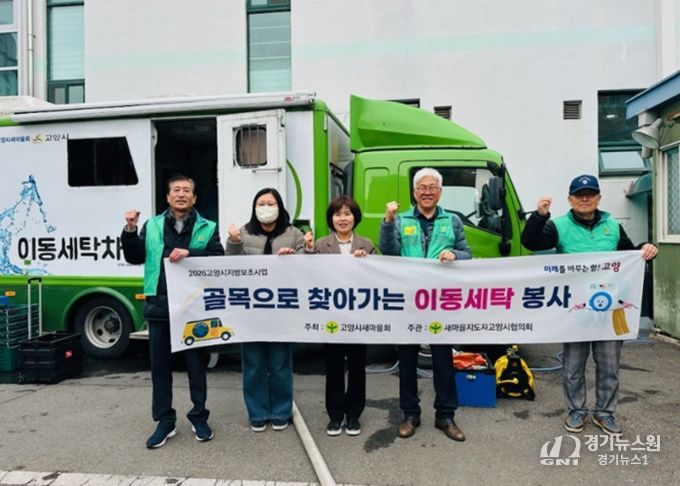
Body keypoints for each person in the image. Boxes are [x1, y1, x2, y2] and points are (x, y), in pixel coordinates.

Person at [521, 174, 658, 436]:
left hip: (610, 309)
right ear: (570, 199)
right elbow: (531, 242)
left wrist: (645, 249)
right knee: (573, 366)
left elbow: (629, 254)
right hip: (576, 310)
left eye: (590, 194)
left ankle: (605, 413)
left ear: (598, 197)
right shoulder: (558, 225)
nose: (585, 198)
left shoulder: (612, 226)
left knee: (609, 366)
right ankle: (576, 410)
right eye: (579, 195)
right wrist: (539, 216)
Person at [122, 174, 224, 448]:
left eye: (187, 190)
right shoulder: (152, 225)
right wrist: (130, 229)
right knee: (160, 368)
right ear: (167, 197)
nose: (181, 194)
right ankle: (165, 421)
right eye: (176, 190)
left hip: (194, 307)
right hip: (159, 305)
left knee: (196, 366)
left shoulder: (207, 227)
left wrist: (191, 253)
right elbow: (134, 256)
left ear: (194, 198)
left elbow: (218, 259)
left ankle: (199, 416)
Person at [379, 167, 471, 442]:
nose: (427, 192)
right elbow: (389, 252)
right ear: (414, 192)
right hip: (409, 299)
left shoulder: (452, 220)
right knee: (407, 359)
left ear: (440, 192)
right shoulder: (401, 219)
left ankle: (446, 415)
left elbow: (467, 253)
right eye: (422, 187)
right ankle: (410, 414)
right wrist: (387, 221)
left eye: (432, 187)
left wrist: (454, 254)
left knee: (443, 359)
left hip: (441, 300)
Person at [226, 187, 305, 432]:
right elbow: (230, 267)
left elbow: (308, 267)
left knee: (281, 363)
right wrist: (234, 242)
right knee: (253, 363)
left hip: (282, 310)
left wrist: (293, 257)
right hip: (251, 310)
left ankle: (281, 412)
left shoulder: (294, 234)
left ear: (280, 207)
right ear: (254, 208)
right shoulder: (244, 233)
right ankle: (257, 413)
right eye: (261, 204)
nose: (266, 208)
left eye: (271, 203)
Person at [306, 196, 377, 437]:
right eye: (338, 214)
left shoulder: (366, 244)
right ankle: (335, 416)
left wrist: (369, 262)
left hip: (358, 317)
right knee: (334, 366)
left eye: (347, 213)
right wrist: (307, 250)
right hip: (332, 317)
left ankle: (354, 415)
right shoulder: (321, 244)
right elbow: (306, 273)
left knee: (357, 367)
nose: (343, 218)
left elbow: (381, 274)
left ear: (355, 217)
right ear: (331, 219)